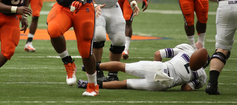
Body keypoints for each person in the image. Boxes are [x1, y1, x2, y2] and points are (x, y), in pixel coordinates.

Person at [91, 0, 140, 82]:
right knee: (98, 36)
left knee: (120, 40)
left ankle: (113, 73)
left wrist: (133, 2)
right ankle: (97, 70)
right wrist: (93, 4)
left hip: (113, 6)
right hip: (96, 6)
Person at [77, 43, 208, 91]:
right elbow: (186, 88)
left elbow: (158, 53)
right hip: (163, 85)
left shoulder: (187, 50)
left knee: (124, 66)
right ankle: (88, 86)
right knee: (124, 84)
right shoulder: (202, 76)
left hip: (159, 68)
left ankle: (92, 66)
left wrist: (155, 66)